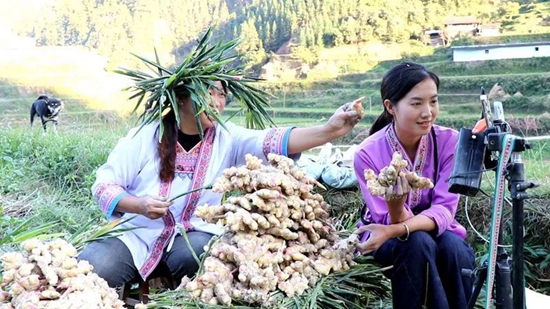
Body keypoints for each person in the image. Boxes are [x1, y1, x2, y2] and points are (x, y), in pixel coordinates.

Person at [77, 77, 364, 288]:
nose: (217, 101)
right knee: (91, 267)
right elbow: (104, 185)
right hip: (137, 234)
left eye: (221, 94)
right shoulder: (145, 136)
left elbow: (273, 141)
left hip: (194, 233)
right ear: (180, 98)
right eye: (207, 93)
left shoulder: (229, 138)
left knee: (206, 261)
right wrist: (138, 205)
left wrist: (329, 130)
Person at [353, 62, 475, 309]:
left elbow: (444, 210)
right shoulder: (367, 153)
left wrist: (397, 227)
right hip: (383, 234)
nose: (428, 112)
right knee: (417, 243)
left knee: (454, 248)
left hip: (431, 229)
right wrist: (396, 209)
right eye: (417, 103)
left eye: (433, 101)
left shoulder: (450, 142)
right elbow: (386, 219)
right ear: (391, 107)